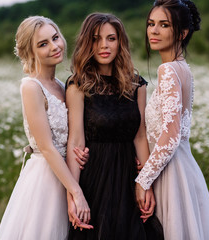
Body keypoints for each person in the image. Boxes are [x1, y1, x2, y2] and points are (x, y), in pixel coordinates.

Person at [66, 12, 163, 239]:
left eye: (111, 38)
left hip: (129, 174)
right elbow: (76, 141)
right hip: (95, 175)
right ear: (86, 42)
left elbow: (140, 135)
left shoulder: (136, 84)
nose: (104, 46)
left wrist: (145, 183)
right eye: (96, 38)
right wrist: (74, 195)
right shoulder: (78, 84)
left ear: (120, 42)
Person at [0, 16, 92, 240]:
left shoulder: (63, 85)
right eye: (43, 44)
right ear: (30, 52)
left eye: (55, 38)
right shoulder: (31, 87)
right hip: (46, 180)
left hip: (69, 173)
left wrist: (81, 153)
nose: (54, 46)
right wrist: (76, 193)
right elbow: (47, 146)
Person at [135, 0, 209, 239]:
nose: (153, 30)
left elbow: (171, 134)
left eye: (164, 25)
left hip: (170, 171)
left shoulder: (168, 70)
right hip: (181, 164)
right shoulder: (183, 68)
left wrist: (143, 180)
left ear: (182, 33)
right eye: (151, 23)